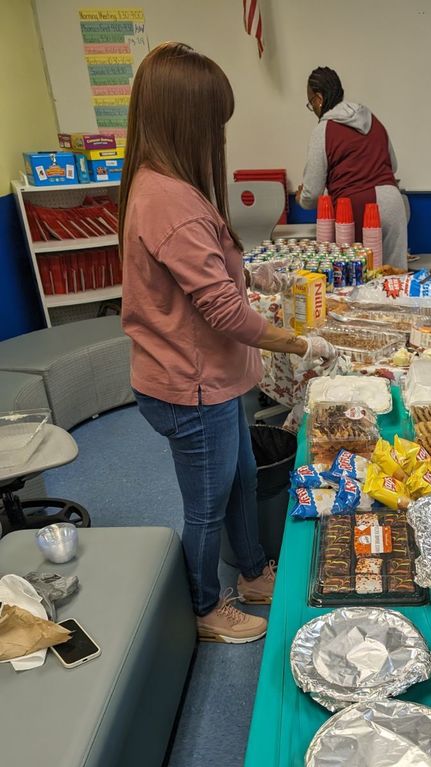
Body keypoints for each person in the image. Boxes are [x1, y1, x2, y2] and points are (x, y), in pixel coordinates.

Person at [119, 43, 335, 643]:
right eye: (213, 123)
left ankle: (254, 572)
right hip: (192, 387)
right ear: (188, 121)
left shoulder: (167, 188)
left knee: (243, 477)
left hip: (211, 380)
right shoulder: (170, 201)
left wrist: (253, 272)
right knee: (207, 504)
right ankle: (206, 607)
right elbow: (220, 311)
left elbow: (208, 274)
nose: (218, 136)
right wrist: (299, 345)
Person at [297, 67, 409, 269]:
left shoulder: (323, 130)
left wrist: (301, 199)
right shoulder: (373, 120)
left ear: (319, 99)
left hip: (355, 208)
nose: (312, 108)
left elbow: (312, 193)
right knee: (395, 281)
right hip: (393, 204)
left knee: (358, 283)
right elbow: (393, 166)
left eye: (310, 102)